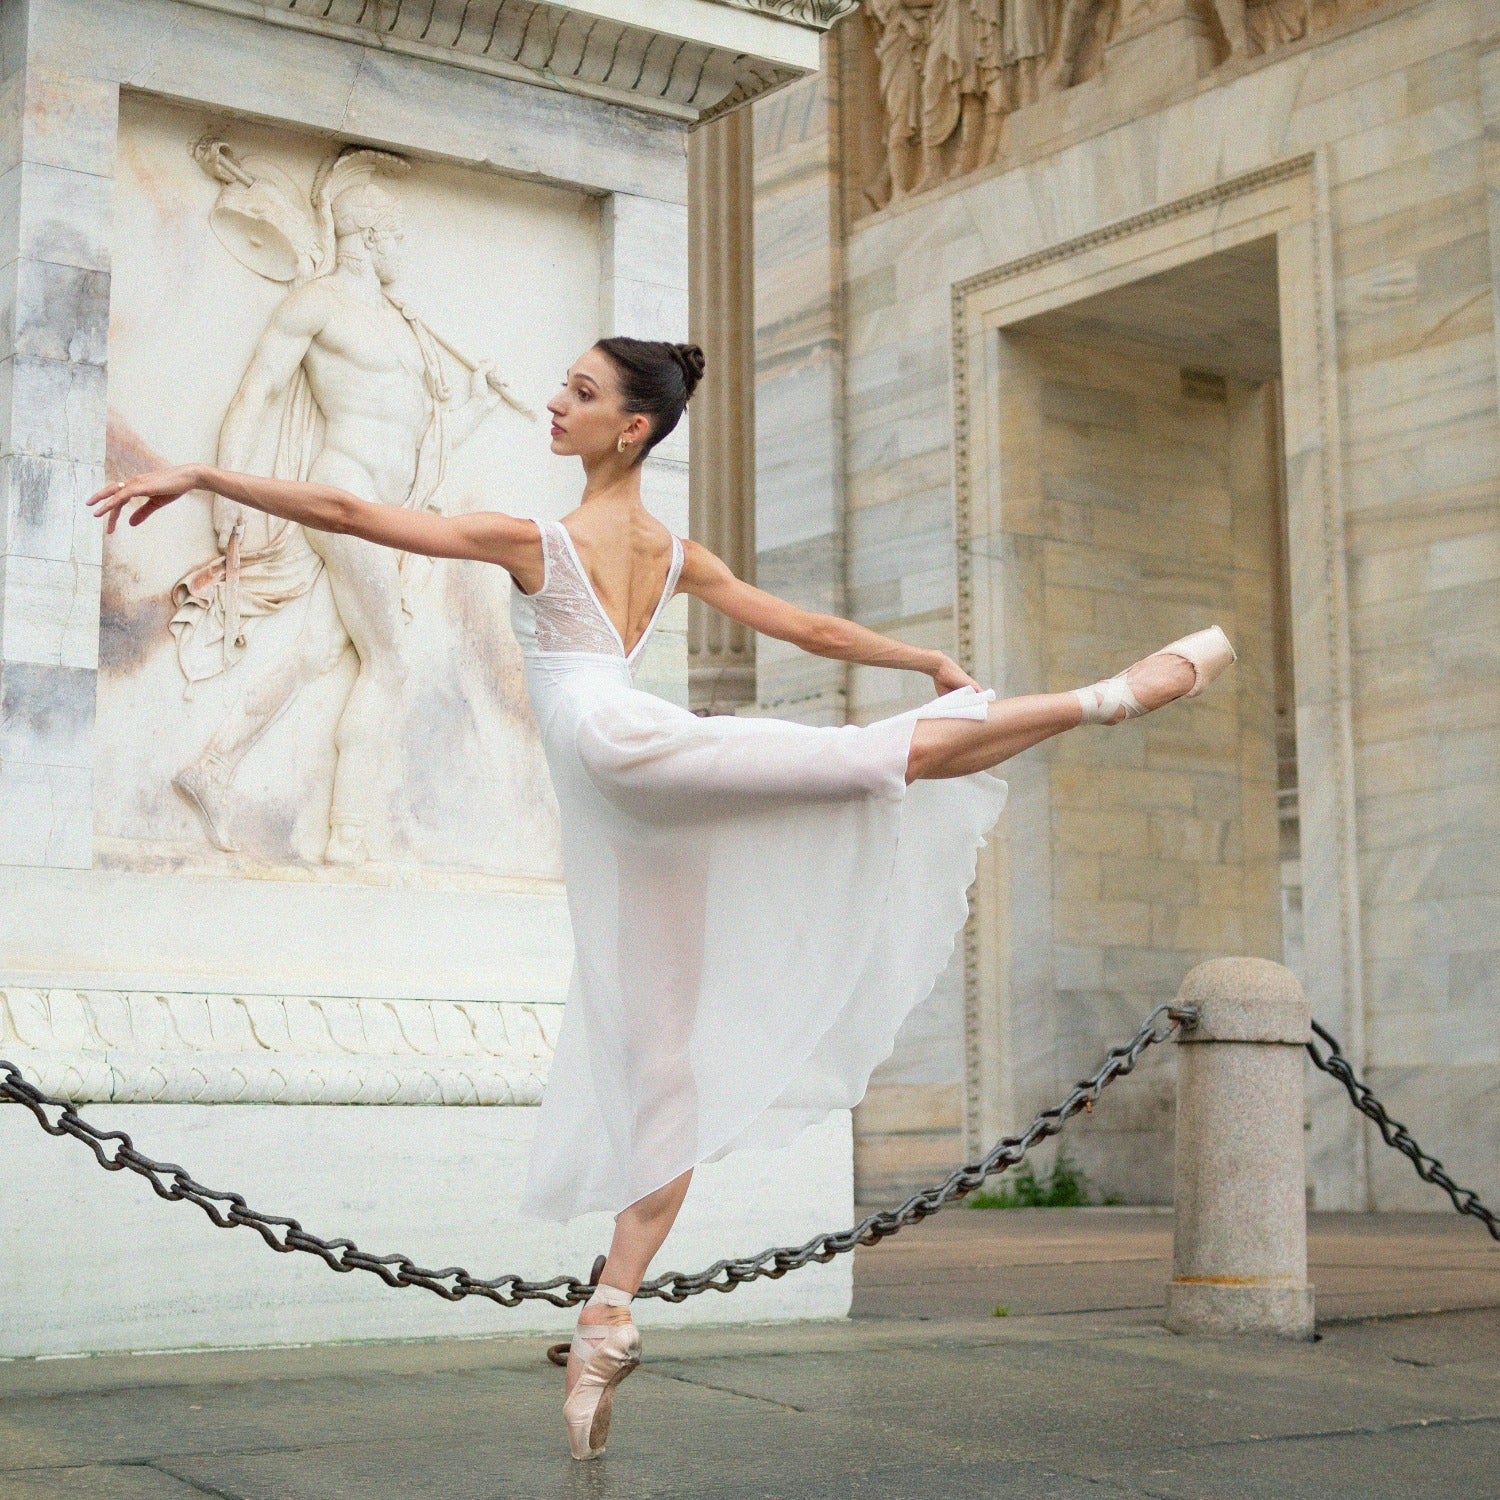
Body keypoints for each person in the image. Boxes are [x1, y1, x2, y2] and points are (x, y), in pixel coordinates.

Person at [89, 334, 1235, 1461]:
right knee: (671, 1043)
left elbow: (353, 515)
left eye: (578, 392)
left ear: (628, 427)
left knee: (853, 782)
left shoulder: (539, 539)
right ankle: (608, 1311)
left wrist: (205, 472)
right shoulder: (662, 549)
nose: (553, 403)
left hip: (625, 757)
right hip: (633, 801)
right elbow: (812, 628)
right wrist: (920, 660)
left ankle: (1102, 700)